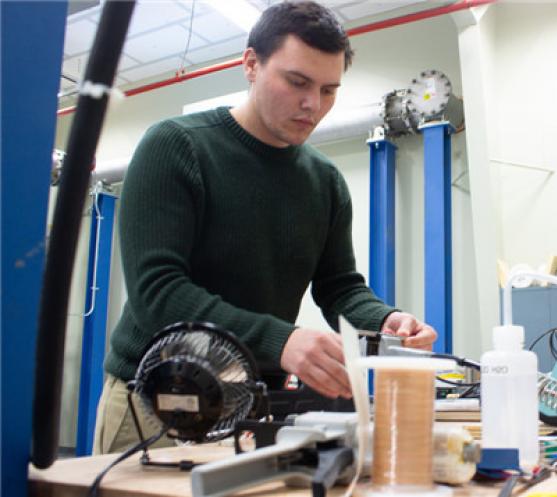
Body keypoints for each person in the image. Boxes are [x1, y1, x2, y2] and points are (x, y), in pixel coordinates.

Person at [93, 1, 437, 454]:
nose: (313, 104)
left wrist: (387, 320)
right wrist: (282, 341)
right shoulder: (176, 147)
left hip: (251, 408)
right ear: (251, 64)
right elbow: (157, 293)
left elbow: (339, 287)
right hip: (157, 401)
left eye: (328, 90)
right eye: (297, 82)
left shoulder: (325, 181)